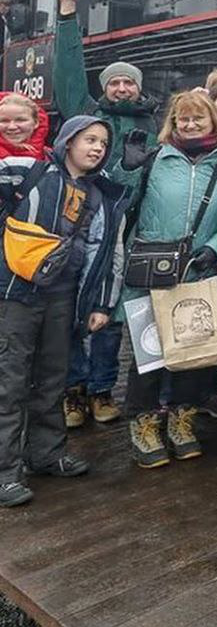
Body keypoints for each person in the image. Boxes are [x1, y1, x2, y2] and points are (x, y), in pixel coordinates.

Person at [0, 116, 128, 507]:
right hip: (15, 294)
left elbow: (106, 253)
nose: (96, 149)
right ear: (69, 140)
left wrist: (102, 304)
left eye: (103, 144)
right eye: (90, 140)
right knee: (10, 381)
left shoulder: (99, 195)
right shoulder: (27, 169)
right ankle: (5, 472)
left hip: (63, 297)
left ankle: (46, 453)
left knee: (53, 378)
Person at [53, 0, 159, 429]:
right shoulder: (87, 114)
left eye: (127, 83)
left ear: (137, 87)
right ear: (106, 87)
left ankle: (101, 389)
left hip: (128, 232)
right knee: (78, 311)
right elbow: (69, 75)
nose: (120, 88)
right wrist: (67, 13)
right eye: (114, 82)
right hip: (83, 227)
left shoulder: (153, 125)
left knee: (112, 315)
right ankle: (73, 391)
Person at [121, 90, 217, 468]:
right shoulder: (156, 159)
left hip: (199, 269)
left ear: (213, 122)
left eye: (197, 119)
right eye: (182, 119)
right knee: (150, 351)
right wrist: (125, 168)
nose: (189, 125)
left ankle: (182, 419)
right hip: (152, 268)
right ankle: (143, 422)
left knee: (195, 350)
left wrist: (215, 246)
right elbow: (123, 201)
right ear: (172, 124)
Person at [0, 92, 49, 161]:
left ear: (36, 122)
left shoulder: (51, 157)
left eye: (20, 120)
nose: (12, 127)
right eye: (4, 121)